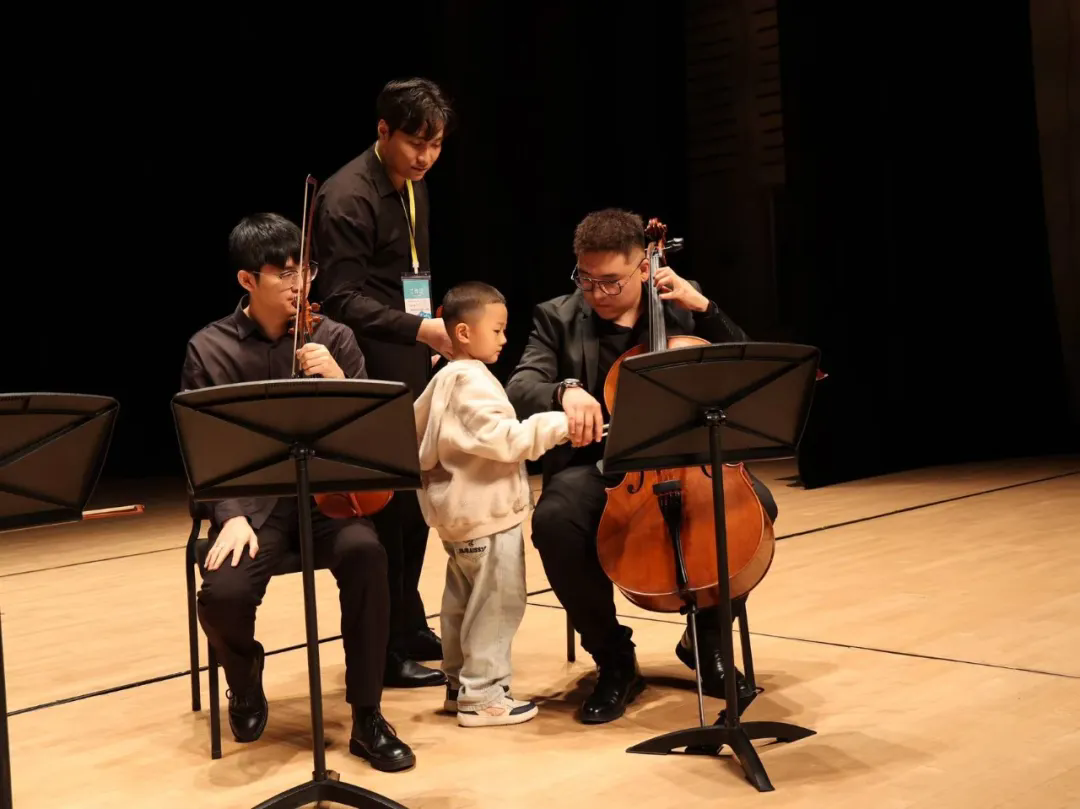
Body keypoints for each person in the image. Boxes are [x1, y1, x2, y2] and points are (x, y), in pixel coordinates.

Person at [505, 208, 777, 724]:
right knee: (555, 521)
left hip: (687, 460)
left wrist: (707, 309)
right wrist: (566, 390)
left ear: (645, 268)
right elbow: (521, 386)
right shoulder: (556, 317)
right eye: (586, 279)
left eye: (611, 281)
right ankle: (614, 659)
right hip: (599, 466)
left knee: (755, 504)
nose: (597, 293)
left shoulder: (683, 304)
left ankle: (706, 642)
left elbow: (745, 363)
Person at [181, 212, 415, 772]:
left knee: (367, 554)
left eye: (304, 270)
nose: (299, 284)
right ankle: (245, 678)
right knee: (223, 594)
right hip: (252, 509)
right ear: (247, 280)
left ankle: (367, 715)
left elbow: (371, 435)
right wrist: (229, 514)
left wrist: (339, 381)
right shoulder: (209, 350)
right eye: (283, 273)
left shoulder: (334, 337)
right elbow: (203, 451)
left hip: (329, 501)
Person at [311, 77, 455, 689]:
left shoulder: (414, 185)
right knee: (388, 509)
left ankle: (407, 618)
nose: (425, 157)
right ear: (383, 132)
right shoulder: (347, 197)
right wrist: (422, 331)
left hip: (407, 351)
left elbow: (411, 274)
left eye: (436, 145)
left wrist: (426, 337)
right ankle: (387, 647)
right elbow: (340, 299)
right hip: (367, 362)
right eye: (415, 143)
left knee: (413, 505)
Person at [413, 282, 569, 726]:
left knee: (461, 604)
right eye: (497, 330)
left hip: (460, 519)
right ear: (464, 332)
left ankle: (458, 684)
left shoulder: (444, 378)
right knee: (497, 605)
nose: (504, 339)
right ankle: (483, 696)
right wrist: (558, 424)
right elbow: (504, 440)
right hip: (488, 517)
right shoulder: (470, 381)